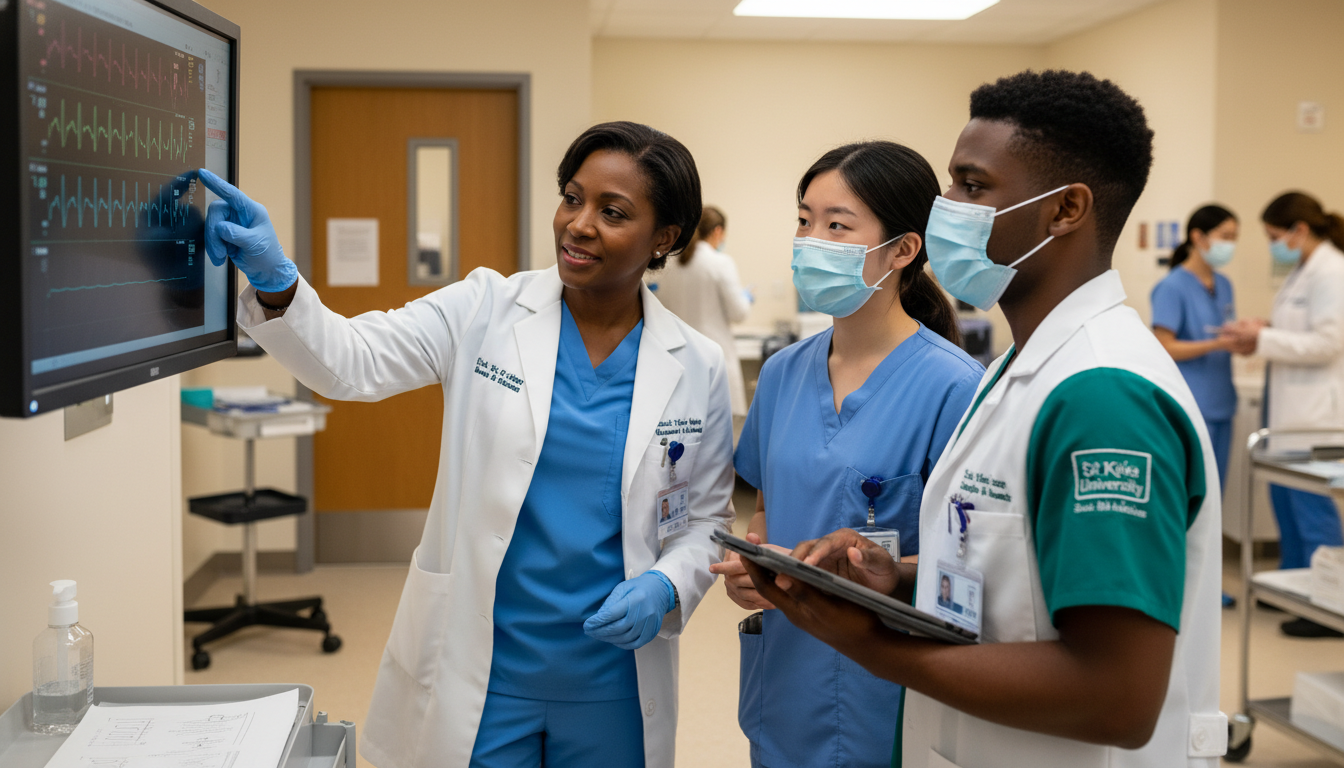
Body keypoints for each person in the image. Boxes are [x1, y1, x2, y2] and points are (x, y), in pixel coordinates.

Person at [196, 120, 736, 768]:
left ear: (665, 237)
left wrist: (668, 586)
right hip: (485, 667)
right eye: (571, 197)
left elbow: (706, 518)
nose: (578, 223)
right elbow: (351, 363)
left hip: (614, 677)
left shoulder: (696, 364)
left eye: (612, 212)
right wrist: (279, 282)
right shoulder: (486, 307)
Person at [744, 70, 1226, 767]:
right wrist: (898, 575)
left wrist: (870, 645)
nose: (946, 209)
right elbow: (1013, 575)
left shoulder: (1103, 396)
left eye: (972, 187)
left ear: (1065, 210)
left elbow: (1116, 695)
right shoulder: (1023, 372)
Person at [709, 141, 983, 768]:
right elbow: (768, 511)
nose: (811, 241)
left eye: (837, 225)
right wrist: (754, 566)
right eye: (804, 220)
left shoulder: (954, 387)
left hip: (882, 682)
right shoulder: (781, 375)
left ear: (903, 249)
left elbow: (970, 560)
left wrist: (870, 563)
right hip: (784, 675)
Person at [1221, 191, 1344, 637]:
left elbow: (1329, 343)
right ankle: (1294, 588)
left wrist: (1264, 342)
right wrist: (1263, 331)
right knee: (1285, 503)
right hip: (1288, 405)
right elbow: (1299, 331)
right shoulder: (1304, 272)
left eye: (1275, 236)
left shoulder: (1332, 271)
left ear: (1300, 230)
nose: (1275, 245)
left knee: (1311, 506)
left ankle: (1327, 605)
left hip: (1314, 413)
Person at [1149, 204, 1240, 608]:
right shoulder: (1172, 286)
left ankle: (1208, 584)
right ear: (1199, 237)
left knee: (1214, 499)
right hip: (1190, 406)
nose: (1230, 245)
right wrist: (1218, 343)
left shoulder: (1224, 285)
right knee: (1187, 500)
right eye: (1225, 235)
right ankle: (1181, 585)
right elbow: (1164, 345)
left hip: (1221, 403)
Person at [651, 205, 753, 416]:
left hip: (677, 361)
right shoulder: (720, 262)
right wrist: (746, 298)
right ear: (717, 231)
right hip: (714, 362)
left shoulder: (670, 262)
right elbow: (739, 313)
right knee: (721, 436)